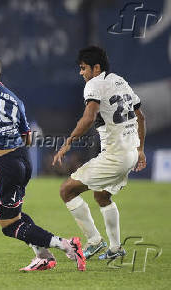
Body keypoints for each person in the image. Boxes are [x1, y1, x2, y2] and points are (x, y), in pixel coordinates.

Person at [0, 54, 86, 271]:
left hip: (2, 164)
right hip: (23, 160)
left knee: (9, 225)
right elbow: (28, 138)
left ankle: (67, 245)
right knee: (16, 214)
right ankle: (43, 257)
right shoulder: (14, 98)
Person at [52, 46, 146, 260]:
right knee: (102, 195)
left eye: (83, 68)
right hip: (130, 153)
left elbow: (89, 117)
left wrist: (67, 143)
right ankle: (115, 248)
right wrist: (140, 149)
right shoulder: (120, 81)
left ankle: (94, 241)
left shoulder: (94, 85)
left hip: (115, 156)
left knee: (67, 191)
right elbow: (141, 117)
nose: (81, 73)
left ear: (96, 68)